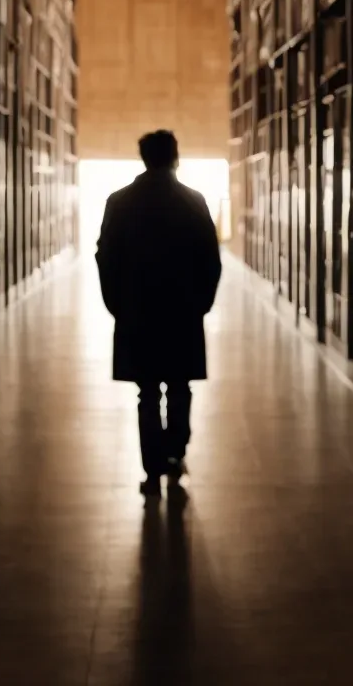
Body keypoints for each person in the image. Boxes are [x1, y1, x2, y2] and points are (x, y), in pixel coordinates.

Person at [95, 129, 223, 499]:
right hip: (183, 313)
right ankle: (174, 456)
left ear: (144, 158)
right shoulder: (193, 201)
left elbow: (105, 258)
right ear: (175, 157)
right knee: (180, 387)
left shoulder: (119, 201)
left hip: (138, 314)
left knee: (147, 392)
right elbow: (211, 259)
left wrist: (116, 306)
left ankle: (151, 471)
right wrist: (201, 304)